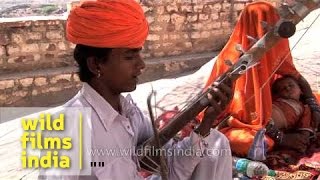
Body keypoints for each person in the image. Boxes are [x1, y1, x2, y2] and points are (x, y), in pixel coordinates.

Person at [39, 0, 234, 179]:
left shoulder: (130, 113)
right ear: (96, 65)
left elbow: (171, 167)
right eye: (129, 57)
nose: (141, 65)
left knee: (215, 144)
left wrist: (205, 125)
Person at [203, 1, 320, 156]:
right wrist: (282, 138)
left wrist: (313, 106)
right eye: (262, 23)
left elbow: (295, 76)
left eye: (271, 21)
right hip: (242, 122)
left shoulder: (276, 45)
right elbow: (235, 114)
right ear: (248, 27)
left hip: (276, 108)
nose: (267, 30)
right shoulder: (231, 59)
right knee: (252, 143)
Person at [267, 75, 314, 153]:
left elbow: (305, 128)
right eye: (283, 89)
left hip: (271, 124)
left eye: (291, 85)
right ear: (277, 95)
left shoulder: (304, 107)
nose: (288, 88)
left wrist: (302, 140)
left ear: (301, 91)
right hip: (263, 115)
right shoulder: (277, 101)